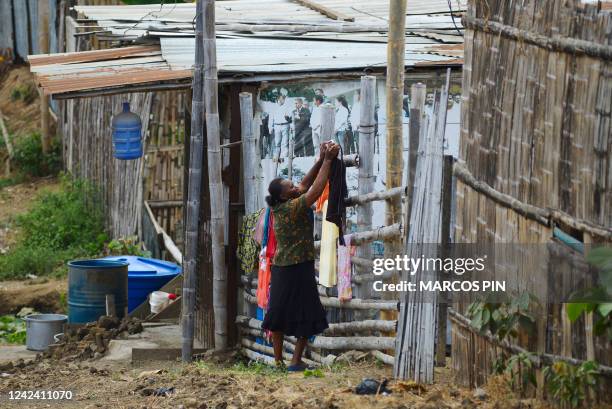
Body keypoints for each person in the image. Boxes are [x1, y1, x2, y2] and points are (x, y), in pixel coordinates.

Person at [262, 141, 341, 371]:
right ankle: (282, 362)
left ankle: (293, 361)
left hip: (289, 267)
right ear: (285, 197)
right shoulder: (290, 208)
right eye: (290, 188)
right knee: (283, 315)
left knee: (298, 313)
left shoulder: (286, 203)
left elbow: (306, 184)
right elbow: (314, 190)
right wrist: (327, 161)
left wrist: (320, 159)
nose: (295, 187)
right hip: (293, 268)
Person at [268, 95, 293, 159]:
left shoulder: (287, 107)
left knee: (285, 142)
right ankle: (276, 156)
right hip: (277, 126)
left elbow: (290, 117)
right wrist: (270, 127)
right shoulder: (273, 107)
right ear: (278, 99)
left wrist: (291, 126)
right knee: (277, 142)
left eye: (284, 99)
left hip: (285, 125)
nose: (283, 100)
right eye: (282, 99)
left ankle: (283, 157)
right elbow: (271, 118)